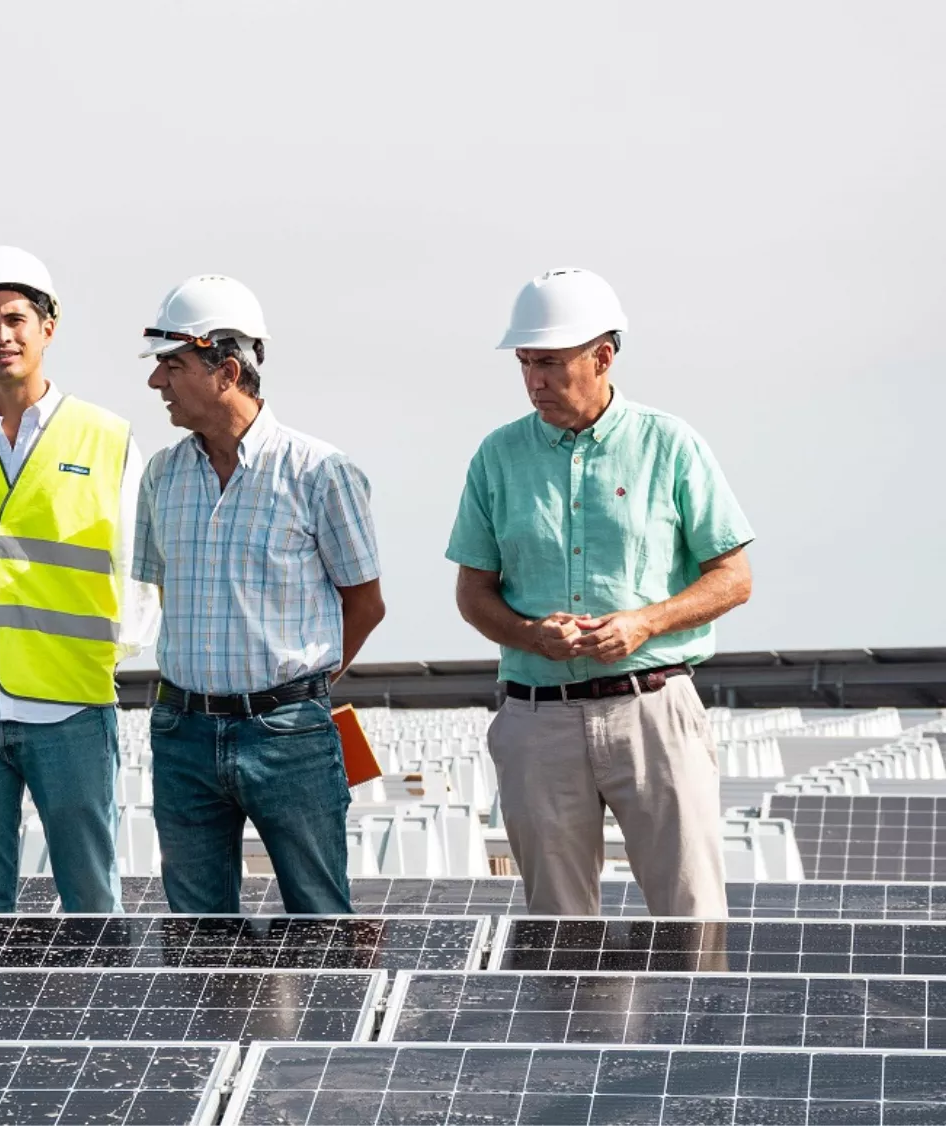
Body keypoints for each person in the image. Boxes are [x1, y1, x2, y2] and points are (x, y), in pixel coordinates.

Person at [447, 268, 755, 917]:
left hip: (653, 710)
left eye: (551, 364)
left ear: (603, 357)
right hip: (537, 718)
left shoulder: (670, 445)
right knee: (559, 933)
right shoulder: (496, 457)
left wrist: (646, 623)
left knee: (691, 916)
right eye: (527, 362)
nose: (535, 380)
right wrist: (530, 634)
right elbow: (473, 593)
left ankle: (696, 1024)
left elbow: (734, 577)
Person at [133, 275, 386, 915]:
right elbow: (165, 589)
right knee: (196, 932)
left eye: (172, 364)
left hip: (289, 734)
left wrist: (301, 687)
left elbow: (366, 603)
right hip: (183, 731)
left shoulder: (320, 473)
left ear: (226, 368)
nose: (156, 383)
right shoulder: (162, 475)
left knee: (320, 922)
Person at [0, 246, 159, 914]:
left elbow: (141, 573)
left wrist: (104, 654)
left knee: (92, 901)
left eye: (17, 319)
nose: (3, 336)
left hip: (70, 707)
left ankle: (99, 1019)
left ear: (48, 327)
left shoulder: (106, 437)